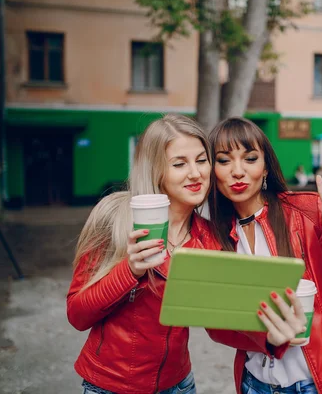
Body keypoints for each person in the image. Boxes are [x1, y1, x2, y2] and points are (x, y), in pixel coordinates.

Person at [66, 114, 305, 394]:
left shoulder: (211, 238)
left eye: (202, 160)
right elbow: (78, 315)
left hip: (179, 385)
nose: (196, 173)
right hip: (111, 386)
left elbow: (219, 320)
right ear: (156, 170)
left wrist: (272, 339)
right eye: (179, 164)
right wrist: (129, 271)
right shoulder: (115, 217)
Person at [207, 117, 322, 394]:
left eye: (250, 158)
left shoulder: (306, 212)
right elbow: (216, 327)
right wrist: (269, 337)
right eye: (224, 160)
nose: (238, 171)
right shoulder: (212, 236)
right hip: (255, 384)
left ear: (265, 168)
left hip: (319, 383)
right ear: (212, 171)